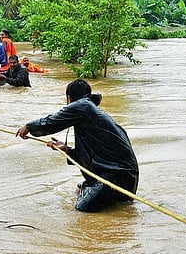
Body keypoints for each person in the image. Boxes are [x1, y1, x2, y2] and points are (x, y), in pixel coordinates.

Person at [16, 79, 139, 213]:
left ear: (69, 98)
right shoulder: (90, 112)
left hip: (117, 177)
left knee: (83, 208)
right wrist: (67, 150)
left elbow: (52, 122)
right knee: (80, 192)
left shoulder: (83, 106)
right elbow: (92, 157)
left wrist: (28, 127)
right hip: (125, 177)